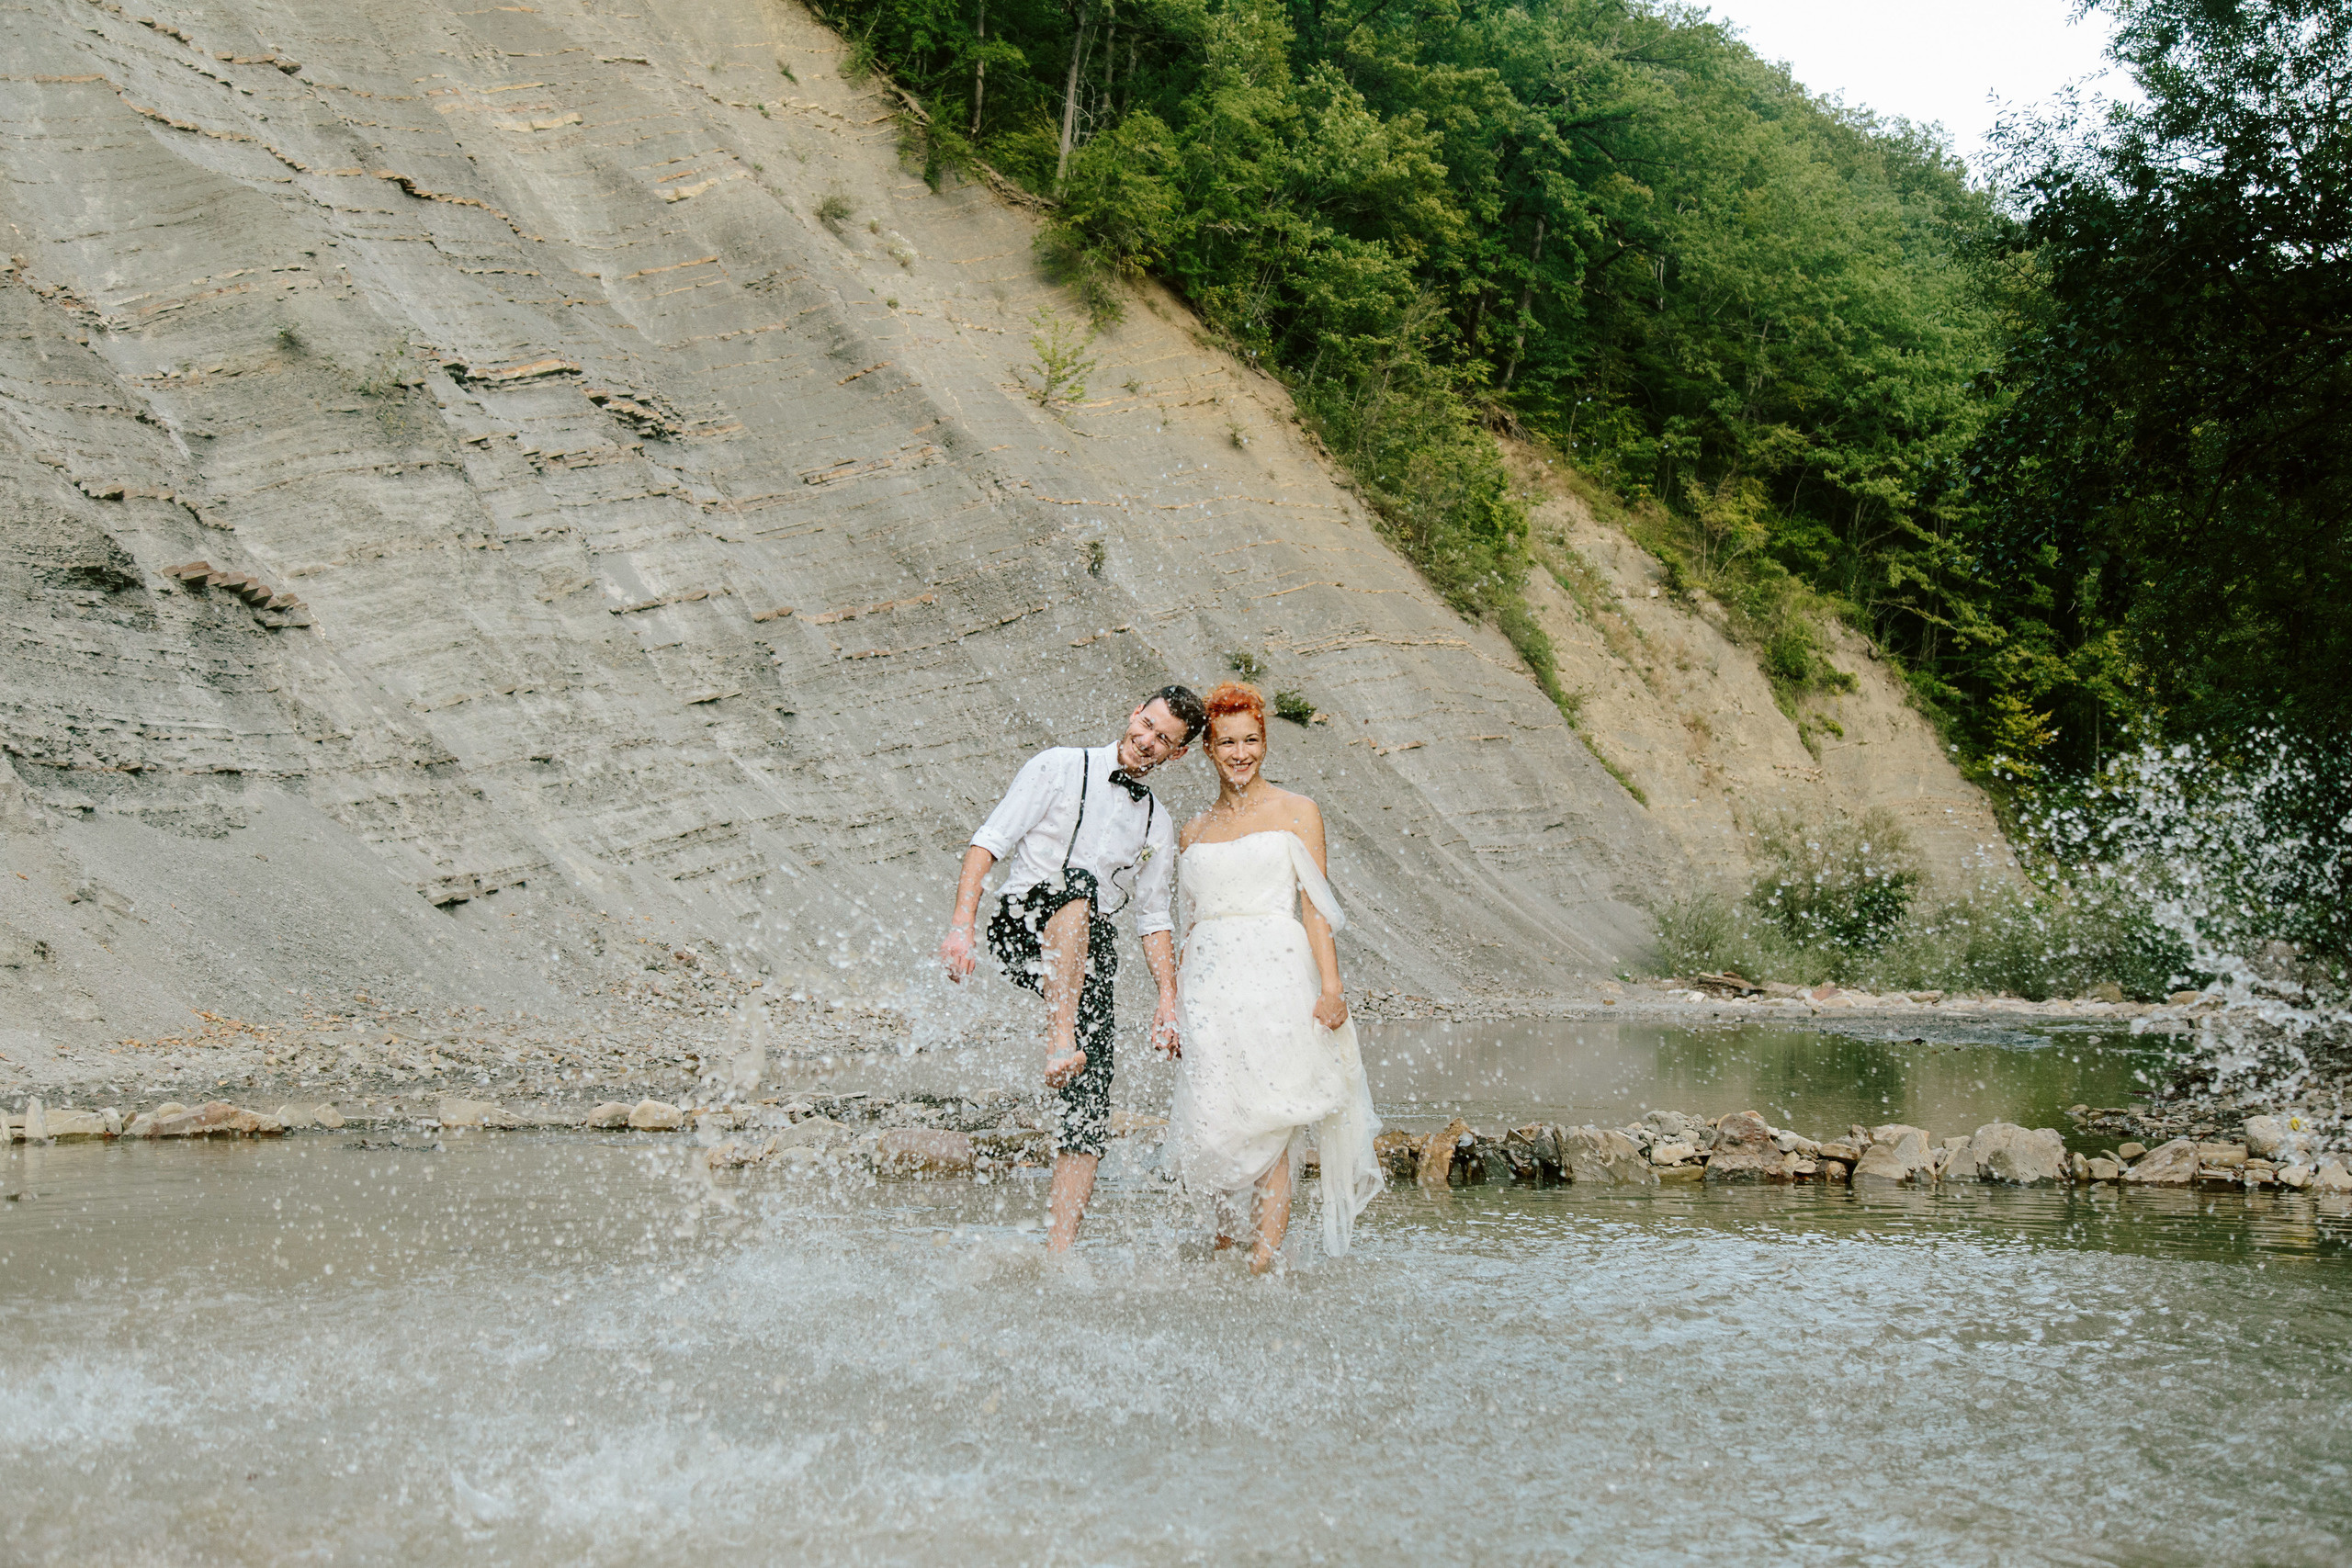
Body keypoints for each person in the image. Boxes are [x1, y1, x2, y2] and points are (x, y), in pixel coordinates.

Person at [939, 685, 1208, 1252]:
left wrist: (1167, 1001)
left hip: (1091, 950)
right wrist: (961, 927)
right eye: (1147, 726)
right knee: (1079, 887)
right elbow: (988, 843)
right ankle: (1060, 1039)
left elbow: (1154, 916)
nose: (1148, 743)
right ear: (1134, 711)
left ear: (1178, 754)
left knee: (1092, 1096)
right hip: (1022, 920)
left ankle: (1060, 1249)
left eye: (1165, 741)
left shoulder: (1157, 823)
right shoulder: (1058, 766)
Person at [1169, 682, 1380, 1273]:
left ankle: (1262, 1262)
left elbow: (1315, 907)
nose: (1241, 753)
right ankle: (1222, 1245)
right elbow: (1187, 928)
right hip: (1209, 984)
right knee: (1209, 1120)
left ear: (1266, 742)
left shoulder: (1297, 811)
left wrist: (1332, 989)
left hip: (1278, 975)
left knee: (1272, 1115)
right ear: (1207, 749)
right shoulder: (1193, 830)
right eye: (1228, 742)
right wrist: (1172, 1004)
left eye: (1251, 740)